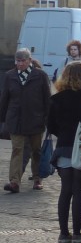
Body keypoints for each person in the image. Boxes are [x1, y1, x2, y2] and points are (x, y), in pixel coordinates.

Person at [46, 61, 81, 243]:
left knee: (65, 191)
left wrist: (63, 134)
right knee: (79, 191)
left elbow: (51, 125)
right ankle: (77, 233)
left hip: (63, 148)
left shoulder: (56, 99)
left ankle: (63, 234)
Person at [1, 48, 52, 193]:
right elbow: (4, 99)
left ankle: (37, 178)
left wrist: (49, 119)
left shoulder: (40, 75)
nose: (20, 64)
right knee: (17, 150)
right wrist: (2, 119)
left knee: (36, 151)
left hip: (35, 120)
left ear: (30, 60)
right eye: (18, 61)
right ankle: (14, 182)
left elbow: (47, 99)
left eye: (23, 61)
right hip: (15, 120)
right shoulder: (10, 76)